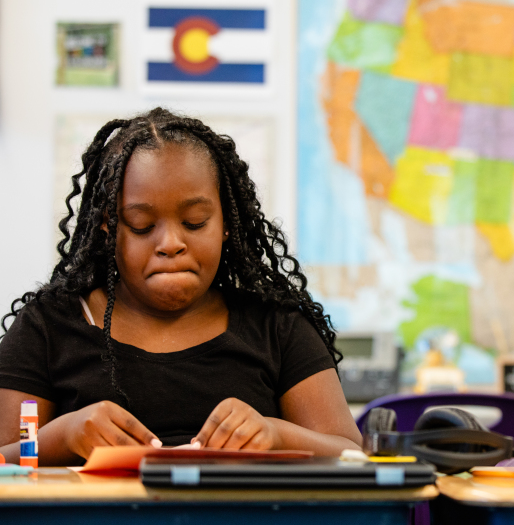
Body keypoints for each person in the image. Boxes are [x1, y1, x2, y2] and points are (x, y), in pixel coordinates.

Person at [0, 108, 362, 465]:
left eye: (194, 222)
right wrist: (62, 436)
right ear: (108, 228)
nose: (171, 243)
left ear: (226, 224)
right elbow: (5, 458)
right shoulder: (48, 327)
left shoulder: (277, 326)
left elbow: (350, 453)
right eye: (141, 225)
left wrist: (277, 434)